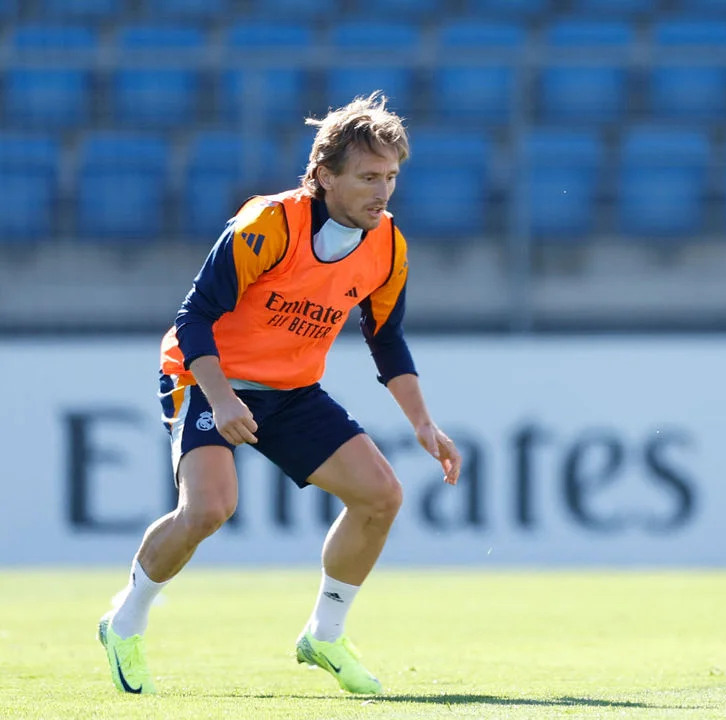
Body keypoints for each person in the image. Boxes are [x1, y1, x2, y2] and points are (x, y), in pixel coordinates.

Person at [97, 93, 462, 696]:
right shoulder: (270, 223)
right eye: (368, 176)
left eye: (392, 177)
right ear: (324, 174)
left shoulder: (389, 244)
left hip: (290, 389)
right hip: (205, 377)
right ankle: (125, 620)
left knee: (381, 496)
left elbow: (386, 337)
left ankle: (324, 634)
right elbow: (195, 317)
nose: (383, 191)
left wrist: (423, 422)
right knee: (209, 510)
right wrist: (221, 397)